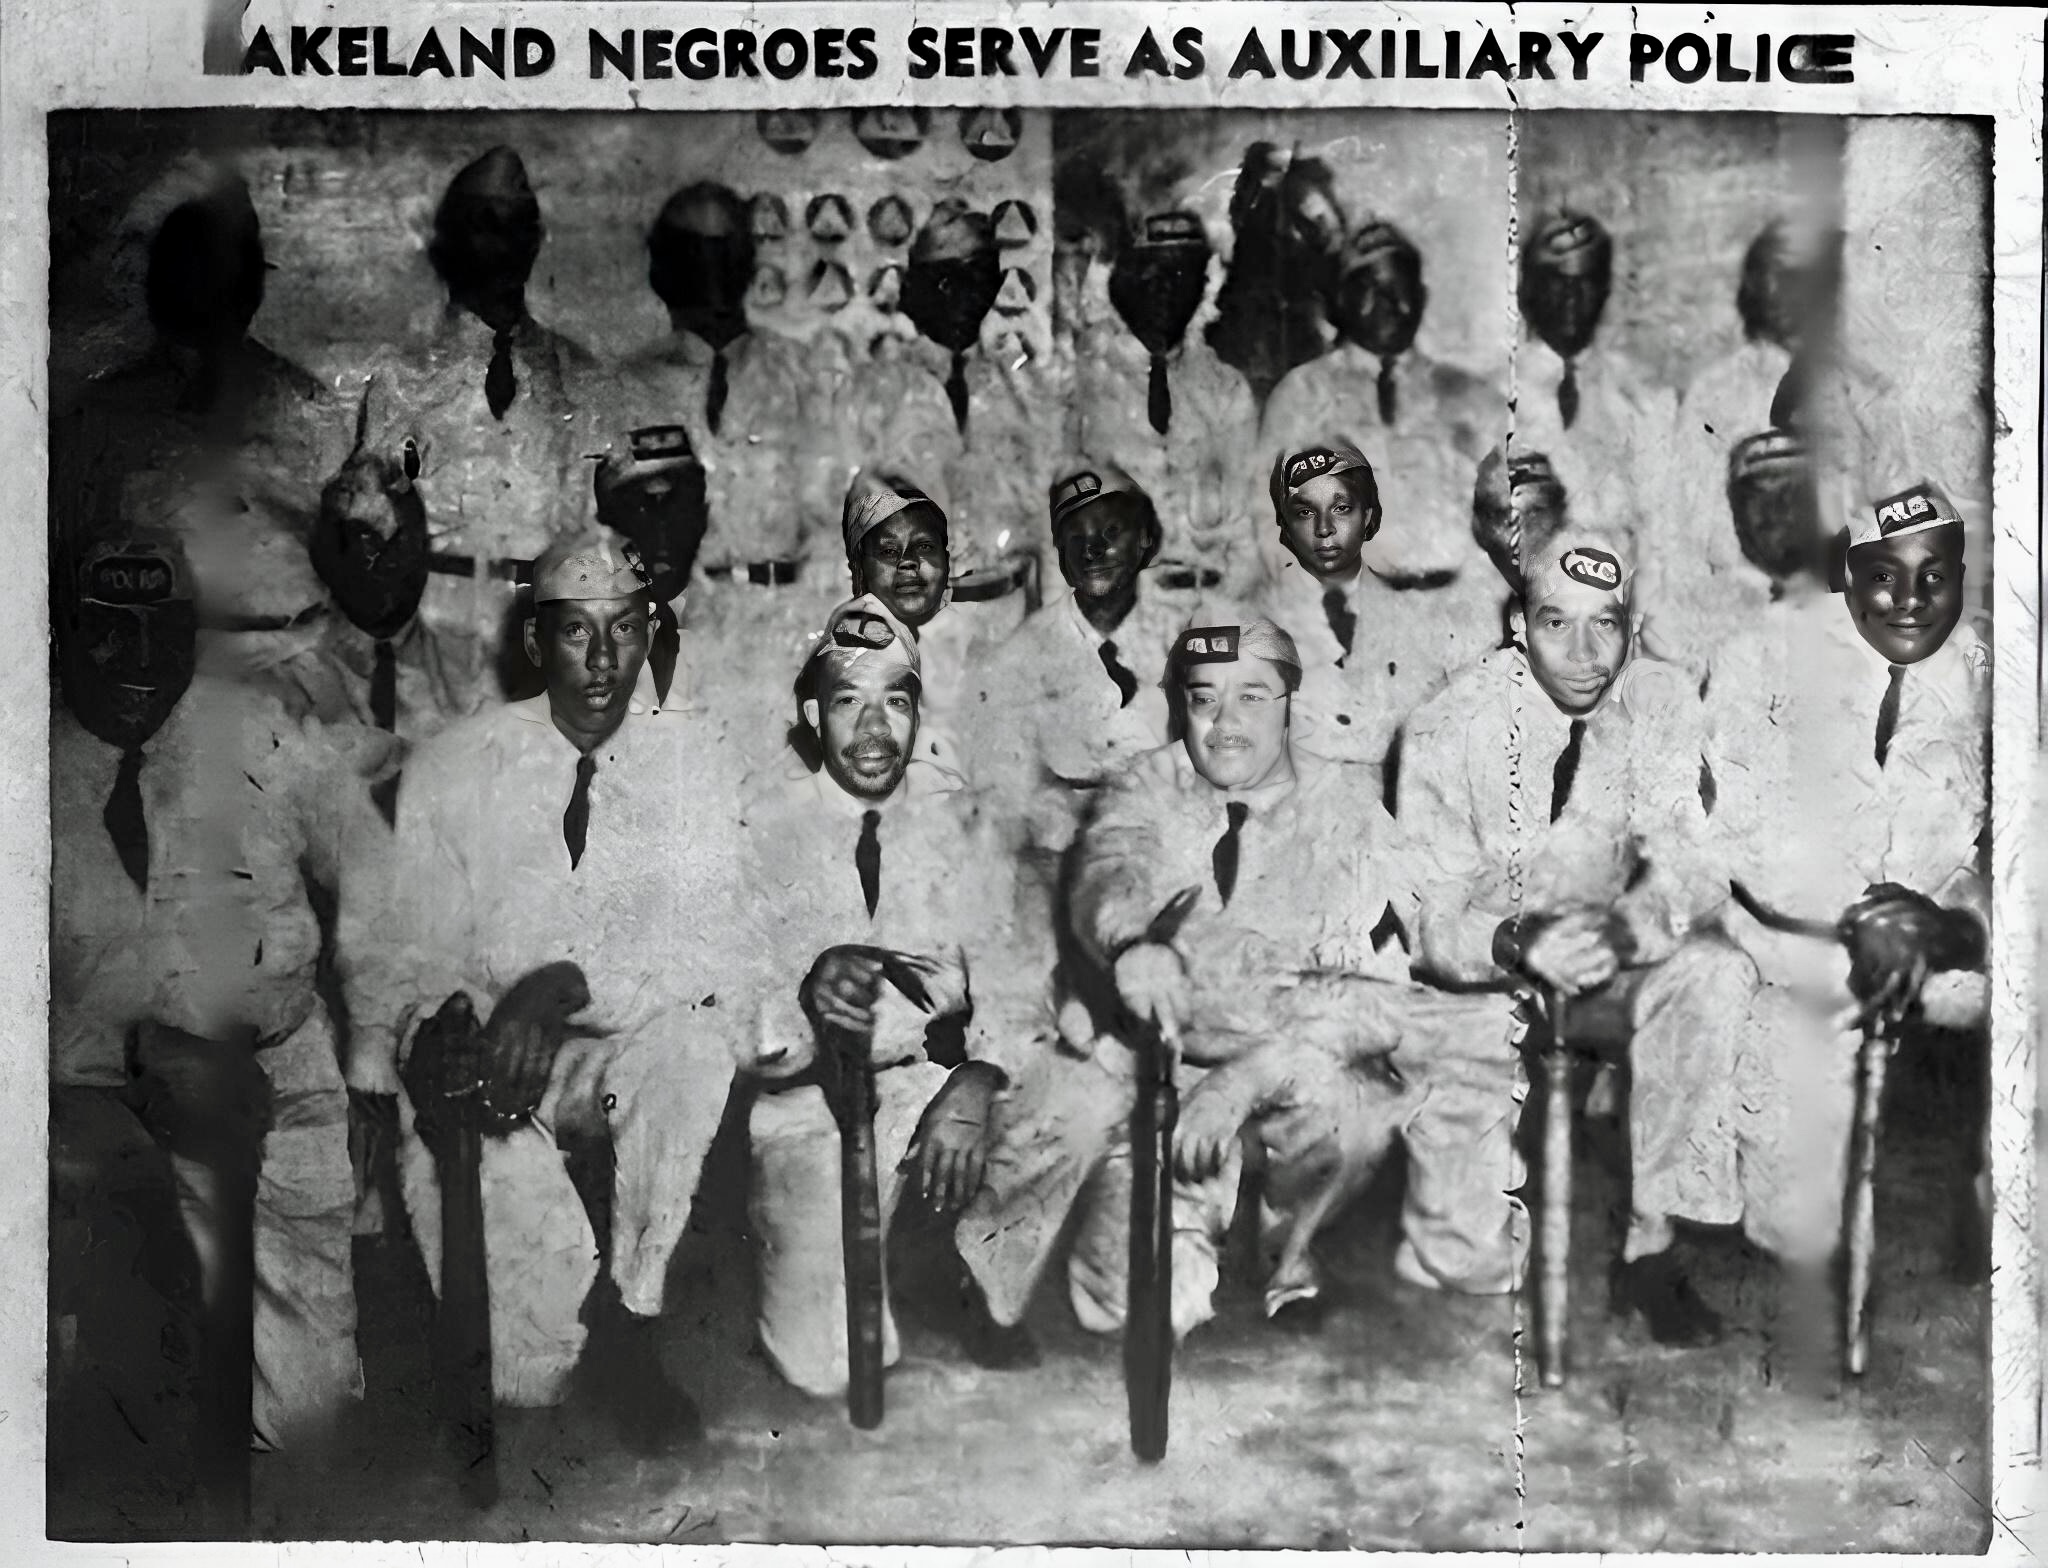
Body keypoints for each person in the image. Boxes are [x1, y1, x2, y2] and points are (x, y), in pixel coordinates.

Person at [960, 618, 1514, 1344]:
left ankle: (1288, 1256)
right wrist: (1131, 945)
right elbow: (1111, 868)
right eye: (1203, 700)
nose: (1225, 725)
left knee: (1349, 1110)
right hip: (1144, 1051)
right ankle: (990, 1273)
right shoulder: (1149, 781)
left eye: (1251, 697)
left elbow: (1405, 944)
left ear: (1290, 701)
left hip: (1271, 1056)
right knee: (1124, 1304)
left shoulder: (1344, 807)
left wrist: (1508, 939)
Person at [338, 536, 741, 1451]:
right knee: (533, 1377)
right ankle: (562, 1324)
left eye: (626, 630)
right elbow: (404, 944)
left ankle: (636, 1320)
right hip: (485, 1059)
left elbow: (706, 951)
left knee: (693, 1048)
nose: (604, 662)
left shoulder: (693, 766)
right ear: (534, 644)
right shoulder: (453, 763)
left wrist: (559, 986)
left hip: (611, 1041)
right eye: (576, 634)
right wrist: (442, 1026)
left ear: (651, 632)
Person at [51, 525, 390, 1457]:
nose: (137, 663)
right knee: (143, 1415)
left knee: (305, 1421)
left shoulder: (258, 733)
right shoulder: (21, 761)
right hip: (95, 1112)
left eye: (163, 634)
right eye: (106, 632)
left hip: (281, 1089)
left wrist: (370, 1064)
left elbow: (375, 877)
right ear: (63, 632)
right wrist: (141, 1051)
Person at [1399, 530, 1750, 1341]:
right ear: (1517, 624)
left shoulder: (1660, 700)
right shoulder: (1446, 728)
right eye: (1557, 623)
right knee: (1465, 1268)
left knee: (1714, 971)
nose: (1587, 653)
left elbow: (1695, 867)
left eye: (1609, 624)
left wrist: (1629, 931)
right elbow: (1424, 920)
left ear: (1635, 624)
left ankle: (1651, 1248)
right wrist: (1517, 944)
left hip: (1604, 957)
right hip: (1481, 978)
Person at [1705, 472, 1987, 1371]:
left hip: (1942, 946)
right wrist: (1861, 916)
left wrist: (1953, 927)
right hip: (1800, 945)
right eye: (1884, 576)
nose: (1911, 600)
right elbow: (1738, 835)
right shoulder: (1765, 656)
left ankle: (2001, 1209)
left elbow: (2016, 842)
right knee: (1796, 1211)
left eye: (1934, 575)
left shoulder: (1990, 669)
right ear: (1848, 574)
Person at [732, 595, 1042, 1395]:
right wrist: (805, 998)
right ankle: (891, 1254)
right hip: (812, 1104)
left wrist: (975, 1081)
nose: (874, 730)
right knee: (833, 1366)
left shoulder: (959, 824)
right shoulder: (759, 828)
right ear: (811, 713)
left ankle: (975, 1267)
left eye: (895, 702)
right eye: (848, 702)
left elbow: (1018, 982)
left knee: (1058, 1103)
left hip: (927, 1084)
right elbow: (729, 1021)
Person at [354, 145, 603, 711]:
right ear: (448, 243)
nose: (504, 246)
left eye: (520, 228)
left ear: (536, 242)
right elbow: (371, 530)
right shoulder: (400, 377)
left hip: (547, 633)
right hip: (432, 635)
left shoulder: (578, 375)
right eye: (484, 226)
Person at [606, 182, 846, 638]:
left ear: (746, 264)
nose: (710, 276)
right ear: (663, 269)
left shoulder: (804, 373)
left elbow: (837, 509)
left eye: (724, 254)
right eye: (692, 255)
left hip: (785, 625)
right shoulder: (626, 387)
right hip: (667, 628)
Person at [832, 201, 1053, 627]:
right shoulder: (872, 391)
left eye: (980, 279)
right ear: (921, 289)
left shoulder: (1015, 389)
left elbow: (1038, 524)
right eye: (950, 281)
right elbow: (837, 528)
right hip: (908, 623)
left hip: (1006, 616)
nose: (967, 298)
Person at [1262, 221, 1506, 593]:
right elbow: (1268, 525)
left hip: (1461, 610)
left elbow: (1507, 520)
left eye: (1400, 288)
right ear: (1342, 301)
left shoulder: (1474, 399)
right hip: (1349, 612)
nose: (1389, 304)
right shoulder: (1301, 396)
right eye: (1369, 289)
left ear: (1422, 297)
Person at [1257, 437, 1496, 777]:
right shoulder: (1255, 622)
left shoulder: (1426, 616)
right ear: (1284, 525)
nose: (1324, 529)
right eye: (1305, 512)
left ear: (1367, 515)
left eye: (1341, 508)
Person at [1068, 207, 1265, 600]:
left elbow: (1250, 533)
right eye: (1150, 273)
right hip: (1114, 611)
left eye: (1181, 276)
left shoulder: (1225, 390)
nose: (1164, 291)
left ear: (1202, 286)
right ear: (1120, 282)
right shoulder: (1081, 387)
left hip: (1207, 603)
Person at [1513, 212, 1679, 569]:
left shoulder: (1643, 396)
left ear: (1604, 290)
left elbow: (1663, 532)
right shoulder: (1496, 396)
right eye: (1556, 282)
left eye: (1587, 281)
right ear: (1529, 293)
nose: (1572, 297)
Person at [837, 467, 1005, 772]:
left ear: (946, 559)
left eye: (925, 546)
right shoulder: (840, 660)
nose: (909, 561)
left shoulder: (988, 638)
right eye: (888, 551)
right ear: (860, 570)